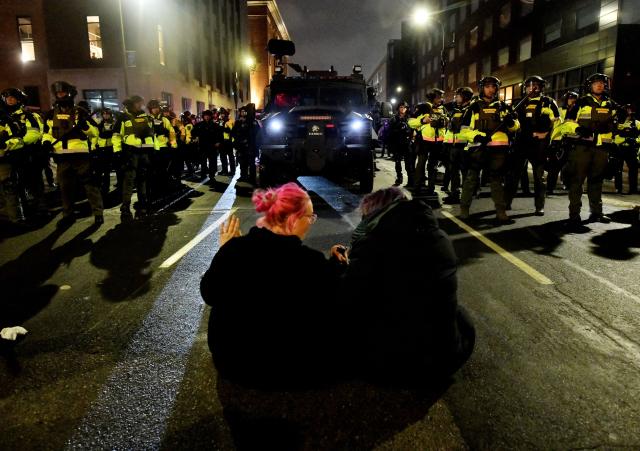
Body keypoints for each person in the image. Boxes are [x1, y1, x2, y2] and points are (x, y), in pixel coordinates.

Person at [200, 182, 349, 386]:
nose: (312, 222)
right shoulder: (309, 262)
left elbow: (209, 293)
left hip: (233, 364)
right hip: (291, 369)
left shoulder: (235, 250)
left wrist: (226, 250)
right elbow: (334, 299)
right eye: (310, 217)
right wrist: (336, 266)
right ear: (293, 219)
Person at [344, 187, 475, 381]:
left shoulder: (373, 245)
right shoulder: (441, 239)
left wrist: (342, 265)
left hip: (393, 367)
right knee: (456, 311)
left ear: (376, 214)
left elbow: (349, 296)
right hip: (446, 361)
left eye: (365, 217)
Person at [560, 73, 619, 227]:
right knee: (577, 181)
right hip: (582, 148)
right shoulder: (580, 102)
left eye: (602, 83)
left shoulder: (610, 104)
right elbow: (567, 123)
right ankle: (574, 216)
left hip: (601, 149)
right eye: (596, 83)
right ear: (589, 86)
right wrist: (579, 129)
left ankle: (597, 213)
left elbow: (616, 126)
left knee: (596, 181)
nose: (600, 85)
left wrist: (615, 139)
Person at [458, 76, 520, 221]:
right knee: (471, 180)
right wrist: (477, 136)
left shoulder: (504, 107)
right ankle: (464, 209)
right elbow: (463, 130)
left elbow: (516, 126)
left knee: (497, 181)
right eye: (488, 86)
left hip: (499, 151)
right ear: (481, 88)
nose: (491, 89)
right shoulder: (473, 107)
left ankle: (500, 212)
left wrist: (511, 123)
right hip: (478, 149)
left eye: (494, 87)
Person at [41, 81, 103, 226]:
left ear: (69, 93)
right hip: (62, 156)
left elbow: (95, 133)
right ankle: (68, 214)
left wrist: (86, 126)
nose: (60, 95)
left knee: (90, 185)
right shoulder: (51, 114)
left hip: (81, 156)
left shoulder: (81, 112)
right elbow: (48, 133)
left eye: (63, 92)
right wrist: (46, 142)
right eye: (58, 93)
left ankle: (98, 213)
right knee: (65, 187)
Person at [508, 76, 560, 216]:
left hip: (538, 144)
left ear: (541, 87)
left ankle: (539, 206)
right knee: (514, 175)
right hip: (521, 142)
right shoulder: (520, 103)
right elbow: (513, 123)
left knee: (539, 177)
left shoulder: (548, 102)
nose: (532, 88)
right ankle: (507, 202)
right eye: (529, 86)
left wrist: (546, 134)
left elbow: (557, 121)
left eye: (535, 85)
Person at [113, 95, 154, 221]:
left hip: (143, 152)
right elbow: (116, 135)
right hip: (130, 152)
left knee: (142, 179)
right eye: (138, 103)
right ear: (132, 104)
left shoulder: (145, 117)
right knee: (129, 180)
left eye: (141, 103)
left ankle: (143, 203)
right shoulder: (123, 117)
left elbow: (151, 134)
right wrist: (117, 151)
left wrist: (152, 149)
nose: (140, 105)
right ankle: (125, 206)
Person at [409, 89, 448, 194]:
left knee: (433, 167)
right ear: (432, 98)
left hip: (437, 143)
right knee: (421, 165)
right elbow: (410, 122)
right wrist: (422, 121)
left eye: (441, 97)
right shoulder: (423, 107)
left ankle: (431, 189)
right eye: (438, 97)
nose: (441, 99)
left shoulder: (443, 109)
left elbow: (446, 126)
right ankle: (416, 188)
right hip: (424, 142)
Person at [443, 87, 474, 204]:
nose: (456, 98)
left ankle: (466, 196)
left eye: (458, 96)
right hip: (454, 145)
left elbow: (470, 128)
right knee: (453, 172)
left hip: (465, 145)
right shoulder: (456, 109)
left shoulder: (471, 109)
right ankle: (455, 195)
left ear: (465, 97)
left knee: (465, 173)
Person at [613, 104, 639, 194]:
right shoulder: (618, 123)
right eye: (627, 109)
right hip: (620, 148)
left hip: (631, 149)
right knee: (618, 169)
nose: (629, 111)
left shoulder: (637, 123)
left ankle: (633, 189)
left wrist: (635, 140)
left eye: (630, 110)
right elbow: (615, 137)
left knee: (633, 169)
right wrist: (625, 139)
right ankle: (618, 188)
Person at [387, 101, 413, 186]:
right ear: (398, 108)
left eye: (404, 107)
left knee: (408, 163)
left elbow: (413, 129)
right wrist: (399, 127)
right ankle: (399, 177)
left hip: (407, 143)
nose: (403, 109)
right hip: (397, 143)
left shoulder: (409, 118)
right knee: (397, 162)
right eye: (401, 107)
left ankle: (410, 180)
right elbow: (390, 131)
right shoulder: (394, 118)